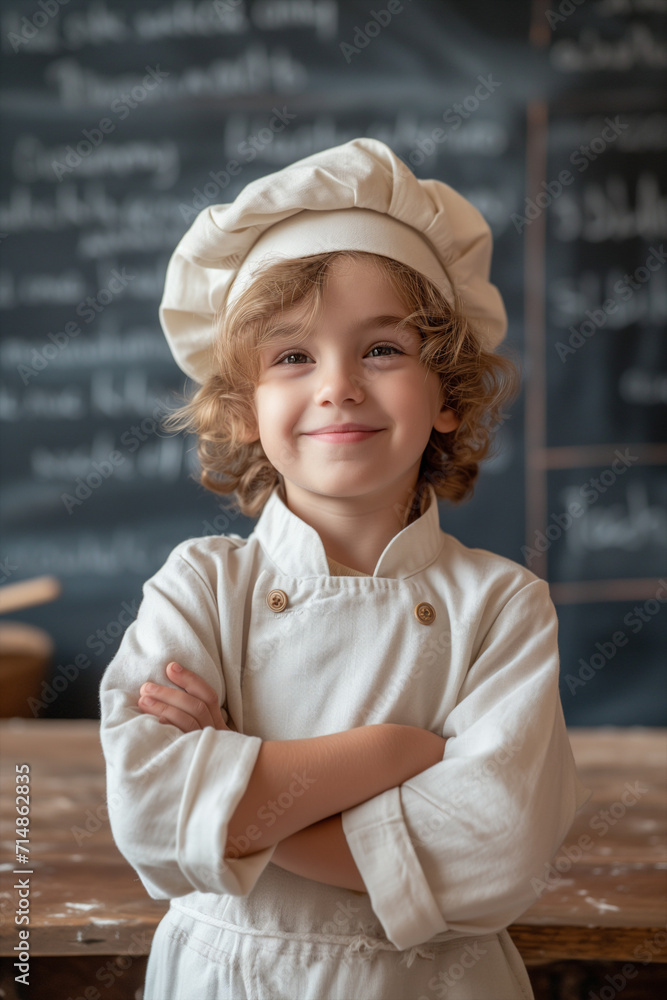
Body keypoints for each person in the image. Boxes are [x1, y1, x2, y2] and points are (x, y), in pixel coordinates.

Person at [98, 137, 591, 1000]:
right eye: (291, 356)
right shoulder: (202, 587)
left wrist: (235, 794)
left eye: (382, 350)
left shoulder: (504, 606)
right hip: (225, 975)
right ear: (245, 409)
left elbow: (495, 853)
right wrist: (392, 752)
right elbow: (149, 815)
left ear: (446, 395)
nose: (337, 386)